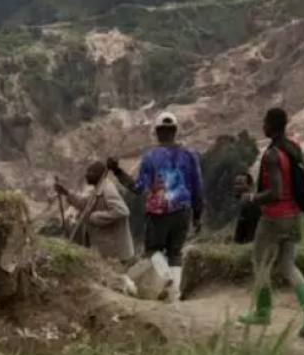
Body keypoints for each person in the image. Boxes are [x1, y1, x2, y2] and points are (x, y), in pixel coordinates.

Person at [238, 108, 304, 337]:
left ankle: (263, 313)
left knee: (261, 263)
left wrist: (252, 198)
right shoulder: (294, 146)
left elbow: (275, 192)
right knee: (288, 265)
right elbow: (301, 180)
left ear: (271, 126)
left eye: (265, 121)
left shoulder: (271, 155)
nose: (262, 124)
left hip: (274, 218)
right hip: (295, 215)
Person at [106, 112, 204, 304]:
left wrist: (117, 171)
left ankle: (165, 275)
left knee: (152, 250)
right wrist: (198, 215)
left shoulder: (150, 158)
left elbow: (138, 188)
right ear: (175, 131)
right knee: (176, 252)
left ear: (157, 132)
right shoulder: (190, 155)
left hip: (158, 212)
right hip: (183, 210)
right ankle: (175, 295)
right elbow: (198, 186)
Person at [54, 161, 134, 264]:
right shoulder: (98, 189)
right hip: (107, 249)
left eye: (90, 173)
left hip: (115, 252)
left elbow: (122, 211)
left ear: (97, 175)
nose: (86, 175)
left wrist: (95, 217)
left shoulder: (107, 189)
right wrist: (66, 193)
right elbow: (85, 204)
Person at [234, 172, 261, 245]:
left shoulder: (252, 205)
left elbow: (251, 234)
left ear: (250, 186)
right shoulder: (245, 205)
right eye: (235, 184)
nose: (236, 187)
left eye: (240, 184)